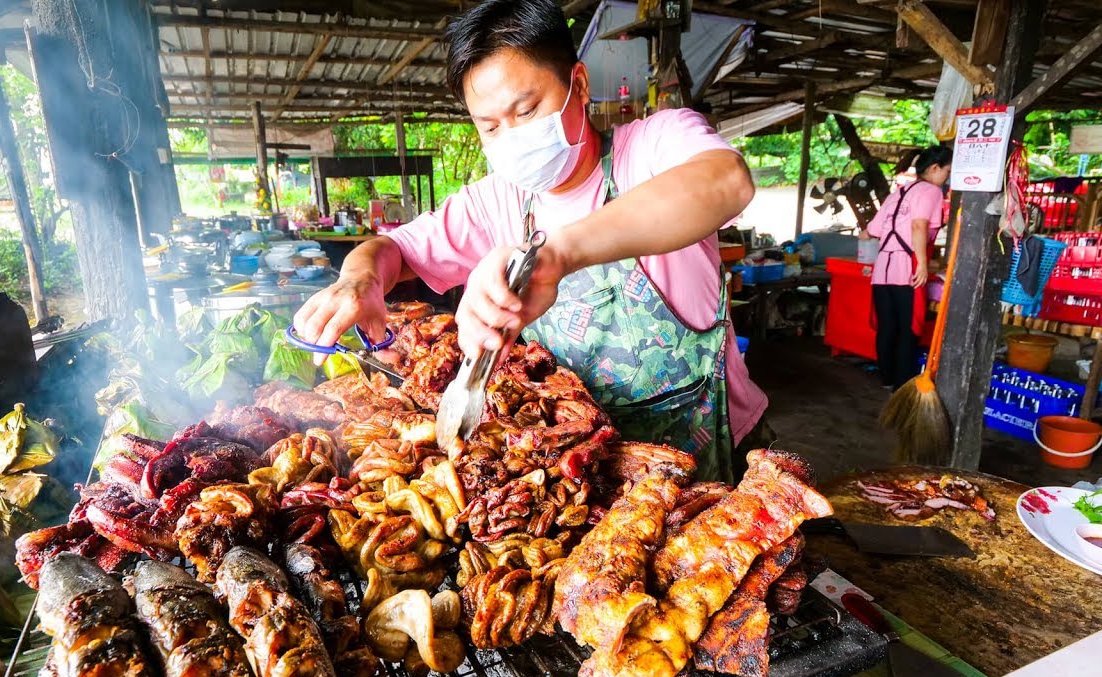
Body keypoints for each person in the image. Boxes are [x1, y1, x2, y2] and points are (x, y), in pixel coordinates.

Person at [293, 0, 764, 483]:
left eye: (527, 110)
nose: (512, 136)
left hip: (713, 461)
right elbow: (389, 250)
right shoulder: (496, 201)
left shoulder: (654, 145)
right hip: (581, 470)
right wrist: (360, 279)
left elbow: (725, 182)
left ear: (577, 85)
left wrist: (557, 255)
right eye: (490, 126)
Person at [861, 146, 953, 390]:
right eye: (947, 171)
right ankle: (903, 386)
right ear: (934, 168)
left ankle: (887, 380)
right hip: (906, 268)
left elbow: (870, 231)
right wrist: (922, 264)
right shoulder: (932, 191)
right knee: (909, 328)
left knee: (887, 327)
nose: (947, 177)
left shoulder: (897, 192)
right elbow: (919, 226)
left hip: (882, 270)